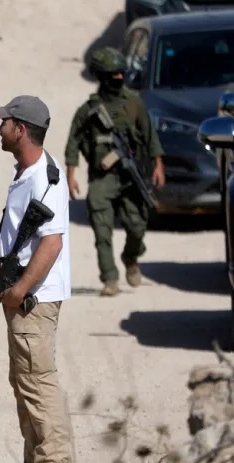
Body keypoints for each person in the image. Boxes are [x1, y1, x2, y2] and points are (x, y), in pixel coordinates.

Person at [0, 95, 76, 463]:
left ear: (20, 128)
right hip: (21, 294)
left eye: (5, 122)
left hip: (34, 299)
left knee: (39, 382)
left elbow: (51, 243)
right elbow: (24, 238)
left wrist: (19, 291)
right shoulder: (26, 173)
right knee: (24, 383)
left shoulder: (45, 177)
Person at [64, 47, 166, 297]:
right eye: (113, 74)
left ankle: (131, 256)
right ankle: (110, 278)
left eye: (121, 73)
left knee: (137, 225)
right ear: (101, 76)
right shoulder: (88, 110)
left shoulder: (133, 103)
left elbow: (149, 135)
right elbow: (73, 141)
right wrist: (70, 175)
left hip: (131, 175)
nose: (119, 78)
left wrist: (158, 165)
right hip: (102, 178)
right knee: (102, 230)